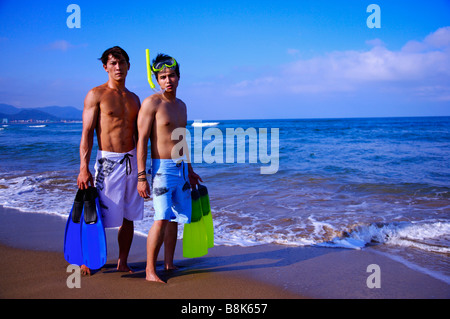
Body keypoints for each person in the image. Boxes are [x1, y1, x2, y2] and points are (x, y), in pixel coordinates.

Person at [77, 46, 144, 275]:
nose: (118, 67)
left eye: (122, 62)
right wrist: (83, 168)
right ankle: (89, 259)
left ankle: (122, 261)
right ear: (105, 67)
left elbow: (140, 136)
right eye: (113, 63)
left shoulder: (135, 99)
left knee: (129, 214)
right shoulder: (96, 94)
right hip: (108, 161)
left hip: (132, 161)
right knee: (98, 213)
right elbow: (86, 133)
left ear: (128, 66)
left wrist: (145, 169)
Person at [137, 53, 202, 283]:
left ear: (178, 77)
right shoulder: (152, 103)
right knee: (161, 217)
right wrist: (141, 175)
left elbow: (182, 139)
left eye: (171, 75)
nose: (168, 80)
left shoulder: (182, 106)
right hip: (162, 170)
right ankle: (149, 270)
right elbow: (142, 140)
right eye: (163, 76)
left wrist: (190, 169)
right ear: (156, 79)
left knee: (175, 218)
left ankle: (168, 262)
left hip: (181, 169)